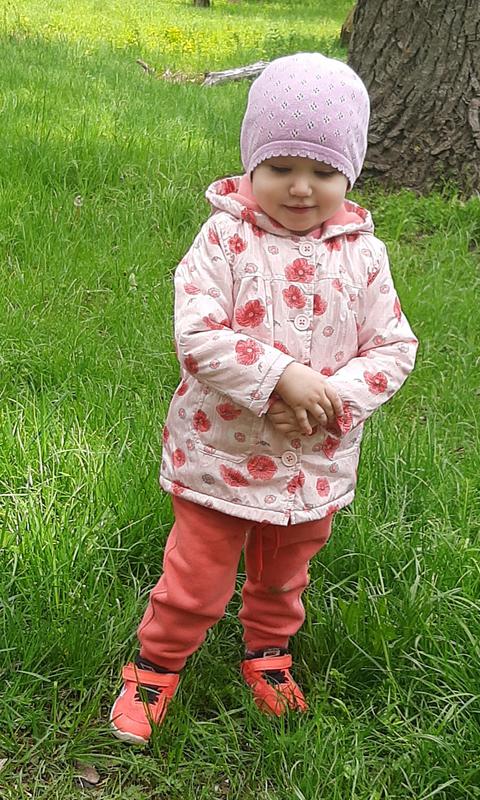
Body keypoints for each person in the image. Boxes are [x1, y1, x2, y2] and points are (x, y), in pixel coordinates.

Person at [110, 52, 418, 744]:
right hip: (220, 454)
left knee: (284, 576)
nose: (300, 187)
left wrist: (330, 396)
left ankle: (268, 653)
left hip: (313, 461)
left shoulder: (365, 255)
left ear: (350, 173)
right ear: (252, 163)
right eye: (280, 167)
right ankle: (156, 667)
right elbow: (197, 334)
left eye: (323, 171)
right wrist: (279, 376)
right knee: (195, 577)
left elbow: (395, 347)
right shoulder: (225, 238)